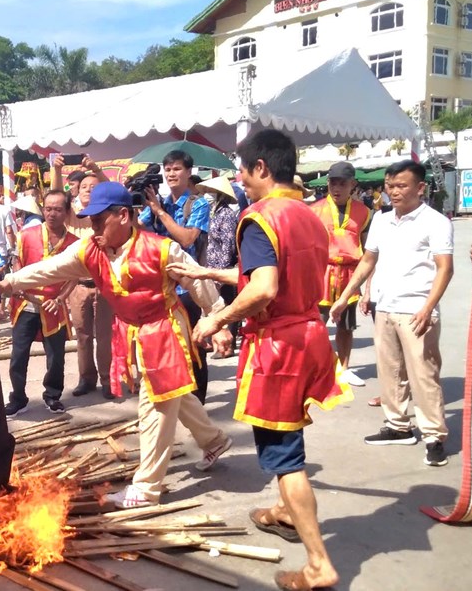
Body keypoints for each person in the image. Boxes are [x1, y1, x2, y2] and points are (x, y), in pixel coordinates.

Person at [0, 183, 233, 509]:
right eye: (90, 220)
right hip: (132, 330)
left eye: (100, 220)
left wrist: (217, 320)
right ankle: (215, 440)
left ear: (124, 215)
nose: (94, 227)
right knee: (174, 393)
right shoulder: (89, 250)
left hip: (165, 328)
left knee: (156, 402)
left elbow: (197, 280)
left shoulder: (161, 250)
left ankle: (146, 489)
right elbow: (49, 268)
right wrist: (8, 283)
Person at [173, 129, 347, 591]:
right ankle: (286, 513)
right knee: (289, 434)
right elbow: (270, 274)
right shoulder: (309, 215)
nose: (239, 178)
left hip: (280, 347)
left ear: (262, 168)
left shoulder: (259, 216)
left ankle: (317, 564)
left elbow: (265, 287)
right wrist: (208, 270)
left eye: (242, 169)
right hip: (310, 336)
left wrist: (215, 320)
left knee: (284, 455)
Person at [330, 160, 454, 467]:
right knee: (390, 373)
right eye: (389, 186)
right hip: (384, 307)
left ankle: (435, 436)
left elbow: (445, 268)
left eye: (401, 186)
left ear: (420, 188)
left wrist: (428, 307)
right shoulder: (382, 221)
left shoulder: (436, 222)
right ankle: (398, 426)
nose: (394, 192)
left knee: (424, 376)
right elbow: (368, 261)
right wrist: (347, 296)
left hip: (416, 311)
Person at [138, 150, 212, 403]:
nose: (171, 174)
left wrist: (159, 213)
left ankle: (198, 400)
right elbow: (137, 228)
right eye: (167, 169)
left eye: (177, 169)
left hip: (188, 286)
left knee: (193, 345)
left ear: (189, 172)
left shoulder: (199, 203)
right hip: (162, 285)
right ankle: (178, 397)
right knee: (168, 345)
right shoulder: (160, 201)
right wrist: (132, 202)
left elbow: (187, 238)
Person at [3, 190, 78, 416]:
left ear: (66, 212)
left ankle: (53, 395)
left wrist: (60, 299)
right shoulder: (26, 235)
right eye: (47, 208)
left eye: (57, 209)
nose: (52, 213)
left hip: (54, 306)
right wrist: (20, 289)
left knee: (56, 357)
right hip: (25, 304)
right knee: (19, 355)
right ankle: (18, 398)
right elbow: (17, 265)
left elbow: (74, 276)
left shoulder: (74, 243)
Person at [309, 162, 371, 388]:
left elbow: (367, 250)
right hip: (321, 273)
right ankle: (316, 369)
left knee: (346, 326)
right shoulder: (314, 210)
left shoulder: (364, 212)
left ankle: (344, 369)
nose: (336, 188)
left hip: (350, 274)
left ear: (352, 184)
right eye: (332, 182)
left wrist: (367, 288)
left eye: (342, 183)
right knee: (316, 325)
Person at [67, 173, 115, 399]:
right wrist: (56, 170)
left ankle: (107, 380)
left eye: (93, 187)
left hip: (104, 285)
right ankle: (86, 378)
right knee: (83, 335)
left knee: (105, 335)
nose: (87, 190)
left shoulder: (108, 216)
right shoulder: (74, 217)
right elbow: (55, 194)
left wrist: (96, 168)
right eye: (83, 186)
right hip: (78, 286)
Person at [198, 176, 241, 357]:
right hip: (213, 265)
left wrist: (221, 271)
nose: (208, 195)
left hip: (225, 267)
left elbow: (228, 244)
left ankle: (228, 345)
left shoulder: (227, 215)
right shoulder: (213, 213)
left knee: (228, 304)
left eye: (212, 192)